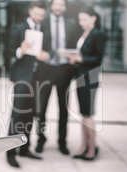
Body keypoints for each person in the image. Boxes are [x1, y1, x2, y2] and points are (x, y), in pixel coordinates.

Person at [6, 1, 47, 168]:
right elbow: (9, 50)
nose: (39, 17)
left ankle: (24, 149)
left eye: (42, 15)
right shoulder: (18, 28)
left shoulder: (45, 29)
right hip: (22, 77)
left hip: (39, 77)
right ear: (30, 11)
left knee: (31, 114)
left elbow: (48, 50)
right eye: (36, 14)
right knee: (18, 115)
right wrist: (20, 50)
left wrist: (46, 55)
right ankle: (11, 153)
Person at [35, 0, 79, 155]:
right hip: (46, 70)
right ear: (51, 6)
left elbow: (76, 44)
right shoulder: (43, 22)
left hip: (64, 70)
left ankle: (62, 142)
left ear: (65, 7)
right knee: (41, 108)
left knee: (63, 108)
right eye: (56, 4)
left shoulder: (72, 23)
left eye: (61, 4)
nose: (58, 7)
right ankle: (41, 140)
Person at [67, 6, 105, 161]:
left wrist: (81, 59)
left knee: (88, 115)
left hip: (91, 79)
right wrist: (74, 59)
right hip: (81, 77)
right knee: (83, 114)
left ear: (93, 18)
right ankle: (83, 146)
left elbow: (98, 58)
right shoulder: (84, 34)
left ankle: (92, 148)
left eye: (84, 19)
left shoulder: (97, 34)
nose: (81, 23)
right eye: (80, 20)